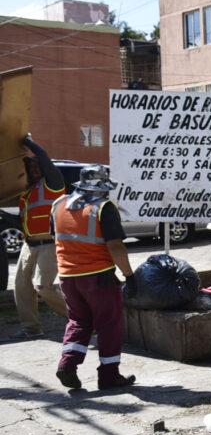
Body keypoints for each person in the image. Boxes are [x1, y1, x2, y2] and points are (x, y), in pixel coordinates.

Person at [51, 165, 137, 390]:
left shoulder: (58, 204)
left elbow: (56, 238)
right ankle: (109, 376)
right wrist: (129, 275)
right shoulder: (103, 207)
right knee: (109, 324)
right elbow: (115, 246)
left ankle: (67, 365)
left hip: (67, 276)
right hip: (98, 277)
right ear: (102, 187)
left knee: (78, 322)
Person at [13, 135, 69, 338]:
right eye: (31, 167)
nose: (35, 169)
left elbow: (43, 156)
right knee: (21, 288)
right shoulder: (28, 193)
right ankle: (31, 329)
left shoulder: (53, 184)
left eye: (38, 166)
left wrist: (26, 142)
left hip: (49, 244)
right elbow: (22, 221)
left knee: (43, 287)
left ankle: (81, 320)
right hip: (28, 246)